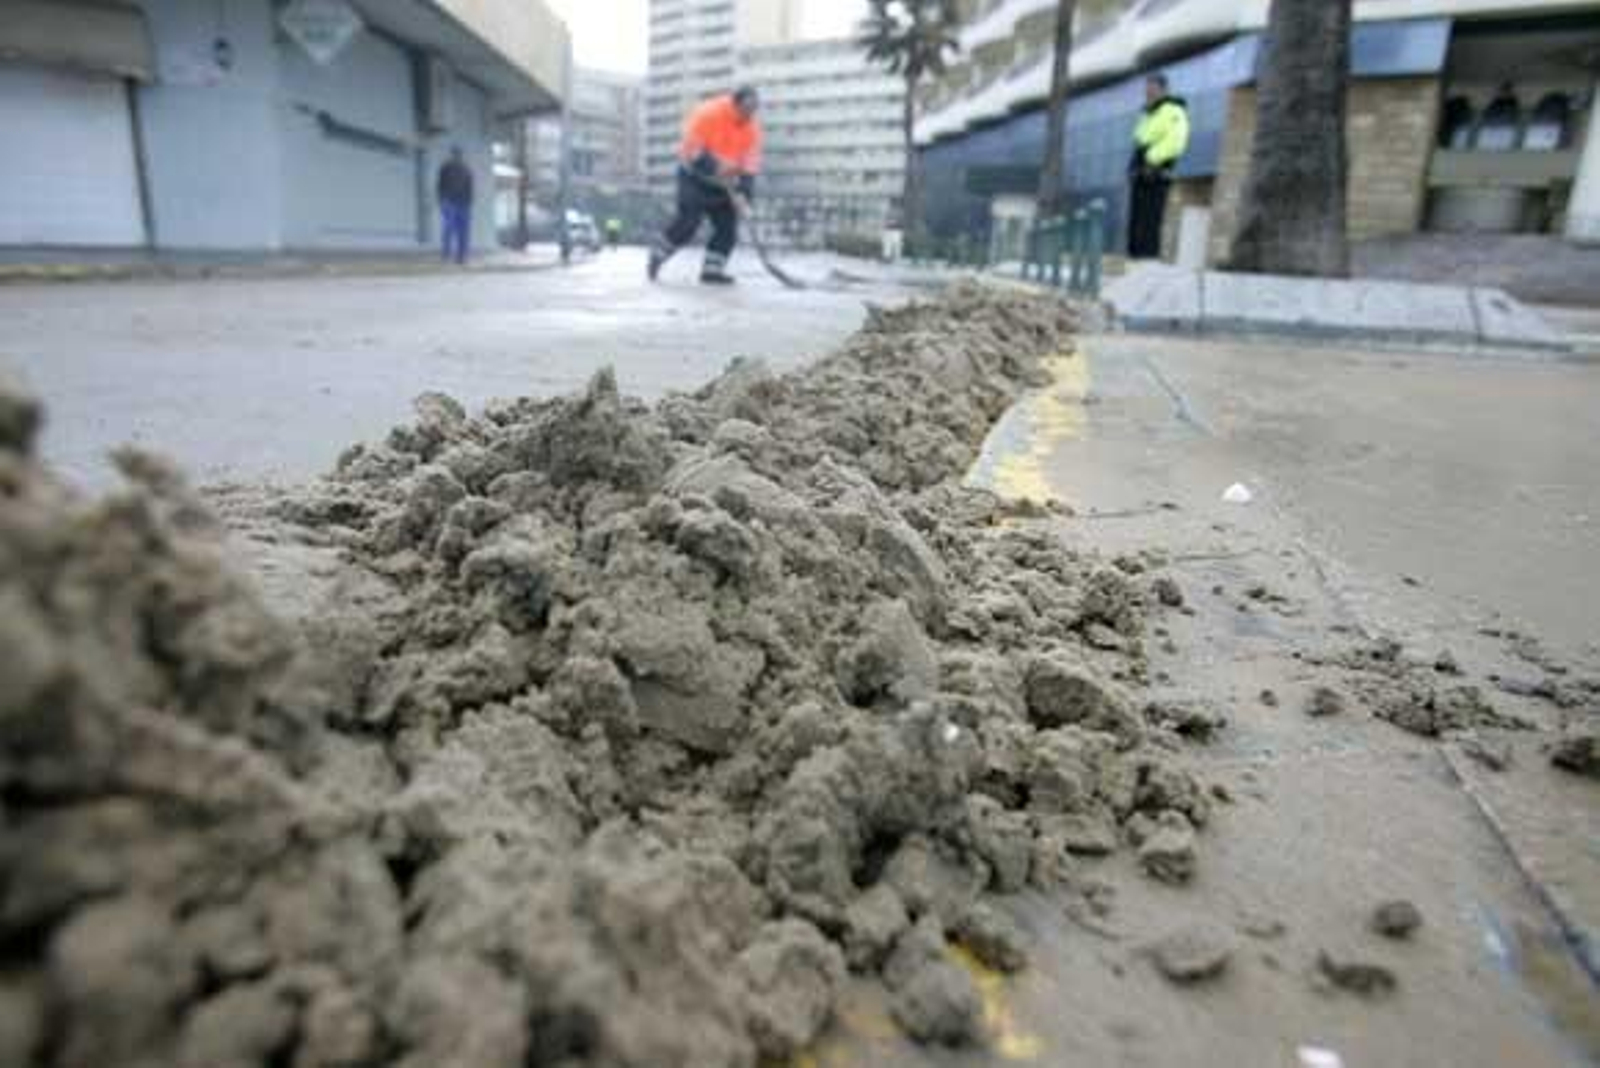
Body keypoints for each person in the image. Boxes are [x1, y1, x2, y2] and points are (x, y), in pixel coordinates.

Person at [649, 86, 763, 285]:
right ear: (735, 103)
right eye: (746, 109)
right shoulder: (709, 114)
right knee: (688, 223)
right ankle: (658, 256)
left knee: (727, 229)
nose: (749, 115)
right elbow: (693, 150)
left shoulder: (751, 129)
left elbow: (750, 165)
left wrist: (745, 195)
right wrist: (718, 167)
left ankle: (712, 271)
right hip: (694, 178)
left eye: (753, 110)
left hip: (723, 185)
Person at [1127, 75, 1189, 260]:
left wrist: (1152, 160)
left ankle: (1146, 260)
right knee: (1136, 219)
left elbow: (1176, 141)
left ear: (1163, 90)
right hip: (1141, 173)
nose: (1148, 93)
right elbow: (1140, 141)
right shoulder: (1149, 113)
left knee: (1150, 219)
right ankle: (1134, 257)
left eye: (1152, 89)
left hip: (1155, 171)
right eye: (1147, 90)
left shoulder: (1173, 111)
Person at [436, 146, 474, 265]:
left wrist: (469, 202)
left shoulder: (467, 169)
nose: (456, 157)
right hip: (449, 201)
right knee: (449, 228)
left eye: (458, 155)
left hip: (463, 203)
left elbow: (470, 187)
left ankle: (461, 257)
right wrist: (441, 200)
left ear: (461, 156)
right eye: (455, 154)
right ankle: (446, 254)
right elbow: (440, 184)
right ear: (451, 155)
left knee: (463, 231)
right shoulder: (446, 167)